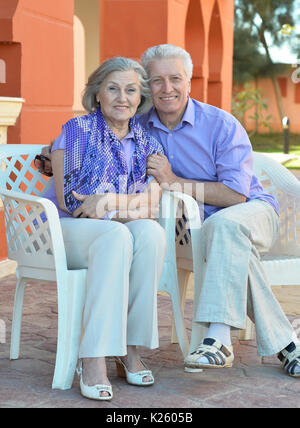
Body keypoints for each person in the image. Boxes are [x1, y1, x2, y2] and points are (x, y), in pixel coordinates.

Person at [37, 44, 300, 378]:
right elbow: (88, 139)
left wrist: (173, 180)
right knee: (224, 239)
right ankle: (288, 344)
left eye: (175, 78)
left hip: (250, 211)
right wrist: (52, 156)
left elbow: (235, 195)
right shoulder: (139, 125)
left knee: (226, 227)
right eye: (157, 81)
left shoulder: (220, 124)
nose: (167, 88)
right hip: (191, 228)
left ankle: (217, 336)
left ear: (189, 82)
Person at [38, 57, 166, 401]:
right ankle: (91, 356)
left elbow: (152, 205)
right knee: (117, 235)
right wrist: (125, 207)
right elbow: (69, 200)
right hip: (65, 230)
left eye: (130, 90)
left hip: (111, 229)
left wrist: (108, 201)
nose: (122, 97)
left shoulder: (146, 141)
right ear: (97, 94)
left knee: (151, 234)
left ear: (140, 99)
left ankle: (128, 348)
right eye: (112, 88)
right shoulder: (75, 131)